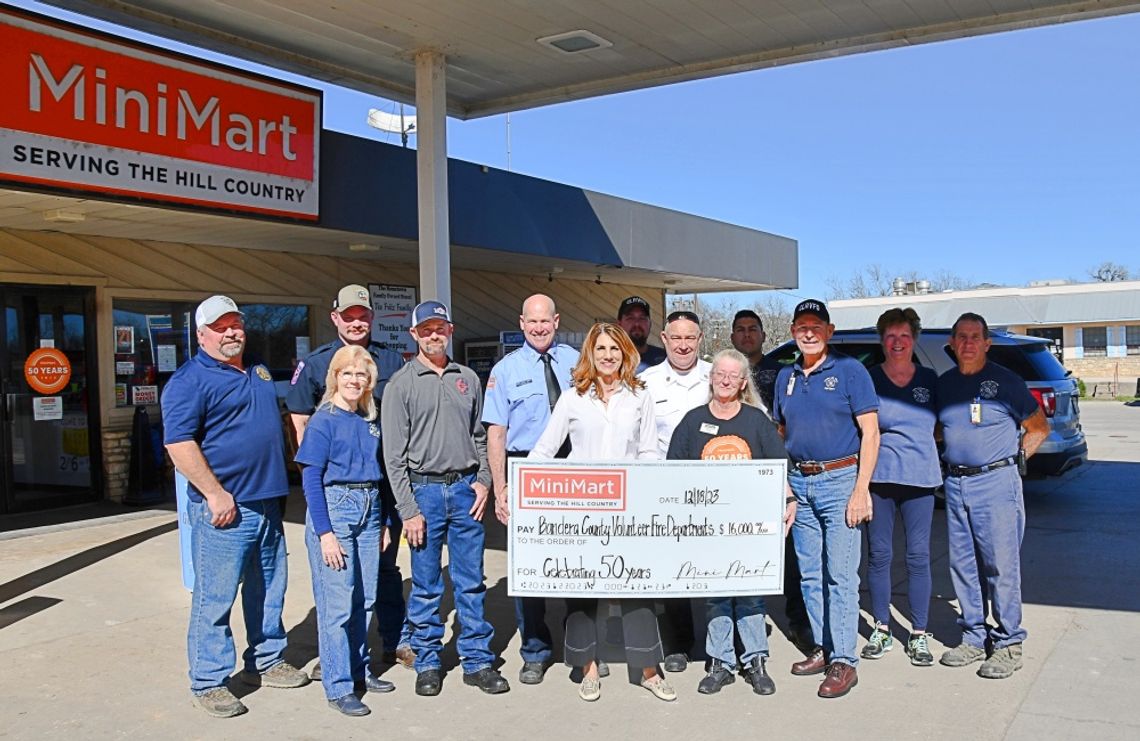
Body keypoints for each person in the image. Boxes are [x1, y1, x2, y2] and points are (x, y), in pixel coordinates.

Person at [162, 295, 309, 718]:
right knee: (215, 597)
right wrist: (213, 493)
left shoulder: (259, 369)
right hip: (224, 510)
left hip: (267, 502)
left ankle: (264, 661)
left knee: (268, 589)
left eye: (236, 324)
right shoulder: (189, 381)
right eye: (221, 326)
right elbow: (178, 444)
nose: (231, 332)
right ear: (201, 334)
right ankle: (209, 679)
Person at [529, 322, 672, 703]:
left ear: (625, 353)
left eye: (614, 349)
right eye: (601, 349)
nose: (608, 356)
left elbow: (647, 451)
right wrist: (522, 487)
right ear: (589, 354)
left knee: (635, 590)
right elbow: (545, 450)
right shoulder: (573, 397)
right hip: (582, 509)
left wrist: (651, 495)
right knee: (583, 592)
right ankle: (588, 667)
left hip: (628, 508)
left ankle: (648, 670)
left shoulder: (639, 394)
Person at [381, 300, 510, 697]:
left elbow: (480, 435)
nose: (434, 335)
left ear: (450, 331)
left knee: (470, 581)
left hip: (465, 490)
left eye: (440, 328)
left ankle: (477, 660)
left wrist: (484, 482)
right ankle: (428, 661)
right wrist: (408, 510)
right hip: (424, 494)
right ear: (414, 334)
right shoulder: (401, 384)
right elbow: (393, 456)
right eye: (427, 329)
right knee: (426, 584)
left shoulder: (467, 378)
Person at [286, 284, 412, 673]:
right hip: (340, 487)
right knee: (338, 581)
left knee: (384, 570)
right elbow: (300, 419)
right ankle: (337, 660)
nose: (357, 323)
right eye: (349, 316)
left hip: (382, 484)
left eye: (363, 316)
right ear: (335, 318)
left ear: (372, 318)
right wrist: (323, 471)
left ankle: (395, 642)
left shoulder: (392, 363)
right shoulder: (318, 362)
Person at [667, 349, 796, 697]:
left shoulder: (756, 421)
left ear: (742, 383)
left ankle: (755, 661)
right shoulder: (693, 422)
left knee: (751, 596)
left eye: (733, 376)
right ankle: (720, 663)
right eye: (720, 374)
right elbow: (673, 473)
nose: (725, 380)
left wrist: (788, 500)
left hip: (750, 527)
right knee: (717, 597)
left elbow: (778, 467)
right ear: (712, 377)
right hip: (707, 528)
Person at [771, 299, 879, 699]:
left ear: (829, 332)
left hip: (840, 480)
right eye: (802, 326)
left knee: (840, 575)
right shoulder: (787, 376)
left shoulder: (850, 372)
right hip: (801, 481)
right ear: (794, 332)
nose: (809, 332)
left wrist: (861, 488)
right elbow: (781, 433)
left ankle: (845, 661)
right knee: (810, 575)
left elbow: (871, 432)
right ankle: (824, 646)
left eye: (817, 325)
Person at [937, 312, 1049, 679]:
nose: (968, 343)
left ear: (987, 343)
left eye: (975, 337)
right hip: (955, 483)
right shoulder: (946, 384)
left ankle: (1008, 643)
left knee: (1001, 566)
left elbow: (1038, 428)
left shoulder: (1006, 382)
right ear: (952, 344)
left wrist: (1011, 464)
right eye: (961, 337)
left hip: (996, 484)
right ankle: (973, 636)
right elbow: (940, 430)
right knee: (963, 565)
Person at [483, 294, 580, 685]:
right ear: (521, 323)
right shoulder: (505, 370)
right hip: (528, 471)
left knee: (578, 562)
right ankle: (535, 650)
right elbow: (496, 432)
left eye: (546, 321)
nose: (539, 328)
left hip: (575, 467)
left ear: (556, 321)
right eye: (532, 322)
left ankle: (580, 647)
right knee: (530, 568)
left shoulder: (577, 360)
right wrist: (501, 488)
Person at [295, 345, 395, 716]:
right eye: (347, 373)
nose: (355, 380)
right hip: (335, 510)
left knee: (364, 598)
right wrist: (324, 533)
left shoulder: (369, 419)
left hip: (369, 511)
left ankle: (358, 670)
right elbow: (310, 479)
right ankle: (337, 685)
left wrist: (384, 521)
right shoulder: (324, 420)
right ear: (335, 376)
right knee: (337, 605)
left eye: (362, 374)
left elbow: (380, 474)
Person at [860, 308, 941, 667]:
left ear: (914, 339)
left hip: (920, 479)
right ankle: (882, 627)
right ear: (882, 340)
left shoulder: (929, 379)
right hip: (879, 479)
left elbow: (942, 426)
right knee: (879, 555)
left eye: (904, 336)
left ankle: (919, 633)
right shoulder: (870, 379)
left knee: (918, 556)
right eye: (890, 336)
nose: (897, 342)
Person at [730, 308, 812, 653]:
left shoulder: (781, 374)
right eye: (741, 330)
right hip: (737, 476)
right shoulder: (726, 373)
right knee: (740, 553)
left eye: (753, 329)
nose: (747, 335)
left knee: (791, 554)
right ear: (732, 337)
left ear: (764, 336)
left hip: (777, 471)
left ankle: (799, 622)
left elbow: (788, 421)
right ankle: (741, 626)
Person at [639, 309, 711, 672]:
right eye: (676, 338)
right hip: (666, 488)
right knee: (673, 571)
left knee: (716, 566)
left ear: (700, 339)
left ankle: (721, 644)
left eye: (690, 338)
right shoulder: (647, 382)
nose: (683, 345)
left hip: (714, 489)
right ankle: (678, 643)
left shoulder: (719, 376)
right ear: (664, 340)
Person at [617, 295, 666, 372]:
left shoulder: (665, 359)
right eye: (630, 318)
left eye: (642, 318)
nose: (637, 324)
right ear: (619, 325)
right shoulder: (608, 360)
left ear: (650, 324)